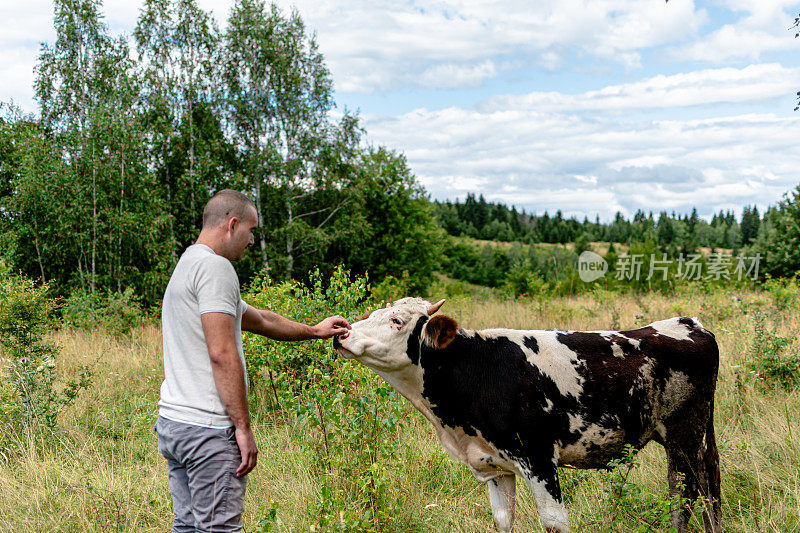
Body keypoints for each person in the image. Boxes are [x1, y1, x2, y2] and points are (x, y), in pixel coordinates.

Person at [155, 189, 350, 532]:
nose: (252, 241)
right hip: (208, 431)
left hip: (176, 424)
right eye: (251, 231)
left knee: (187, 527)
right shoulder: (217, 269)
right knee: (219, 529)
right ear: (232, 225)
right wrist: (242, 427)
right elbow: (222, 353)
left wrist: (314, 330)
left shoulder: (189, 263)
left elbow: (258, 320)